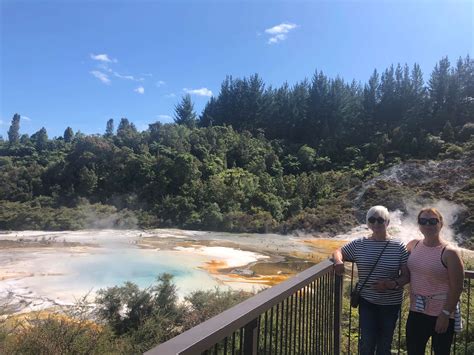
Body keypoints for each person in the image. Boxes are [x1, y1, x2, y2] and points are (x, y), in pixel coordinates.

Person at [332, 205, 409, 355]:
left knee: (384, 345)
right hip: (367, 303)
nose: (376, 224)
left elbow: (406, 276)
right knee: (366, 343)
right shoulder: (359, 244)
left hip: (390, 304)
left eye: (380, 220)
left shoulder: (399, 246)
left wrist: (391, 284)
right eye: (372, 220)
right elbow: (338, 251)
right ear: (368, 223)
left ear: (387, 222)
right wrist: (338, 262)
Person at [405, 208, 464, 355]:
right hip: (416, 310)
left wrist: (445, 314)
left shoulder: (450, 252)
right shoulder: (413, 245)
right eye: (423, 221)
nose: (428, 225)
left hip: (441, 313)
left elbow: (457, 287)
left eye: (432, 221)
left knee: (441, 351)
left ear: (441, 223)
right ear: (418, 225)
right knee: (413, 351)